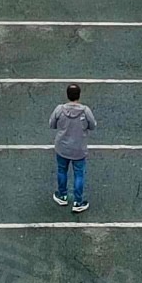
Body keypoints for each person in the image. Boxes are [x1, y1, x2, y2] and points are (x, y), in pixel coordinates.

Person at [48, 82, 94, 212]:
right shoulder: (85, 111)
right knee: (79, 174)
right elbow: (93, 126)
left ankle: (62, 195)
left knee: (62, 170)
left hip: (62, 147)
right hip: (79, 148)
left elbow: (52, 124)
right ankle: (78, 202)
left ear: (67, 95)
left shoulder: (59, 109)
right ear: (79, 95)